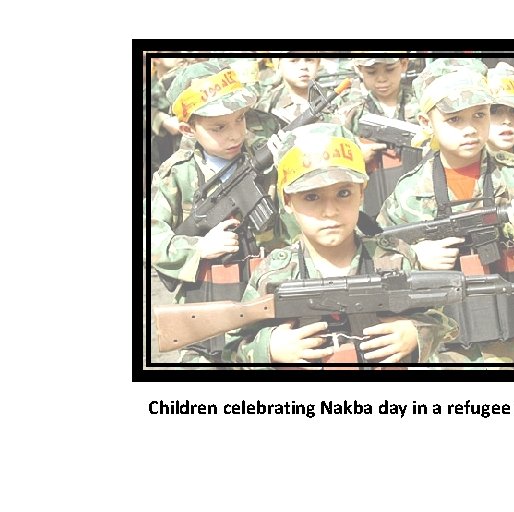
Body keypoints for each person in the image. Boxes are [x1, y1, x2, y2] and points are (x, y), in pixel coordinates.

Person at [223, 123, 457, 369]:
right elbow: (234, 348)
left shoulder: (394, 257)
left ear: (362, 192)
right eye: (311, 196)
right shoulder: (274, 273)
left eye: (343, 193)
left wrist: (415, 333)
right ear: (288, 201)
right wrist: (269, 347)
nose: (330, 211)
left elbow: (440, 320)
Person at [376, 58, 514, 369]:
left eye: (480, 115)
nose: (471, 129)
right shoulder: (409, 192)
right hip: (447, 347)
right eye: (454, 119)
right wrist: (416, 256)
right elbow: (377, 256)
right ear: (426, 123)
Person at [149, 61, 286, 365]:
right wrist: (198, 247)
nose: (235, 134)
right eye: (218, 127)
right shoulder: (178, 174)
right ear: (187, 129)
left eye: (240, 120)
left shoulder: (263, 163)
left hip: (263, 300)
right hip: (205, 305)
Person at [333, 57, 424, 218]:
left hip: (416, 202)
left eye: (389, 69)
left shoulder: (419, 101)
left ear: (404, 64)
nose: (381, 78)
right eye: (371, 71)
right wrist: (354, 155)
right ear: (358, 69)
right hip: (367, 201)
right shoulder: (349, 108)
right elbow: (329, 153)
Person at [255, 56, 324, 126]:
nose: (303, 66)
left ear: (318, 64)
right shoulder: (265, 106)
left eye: (309, 60)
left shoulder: (333, 101)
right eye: (293, 61)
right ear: (278, 65)